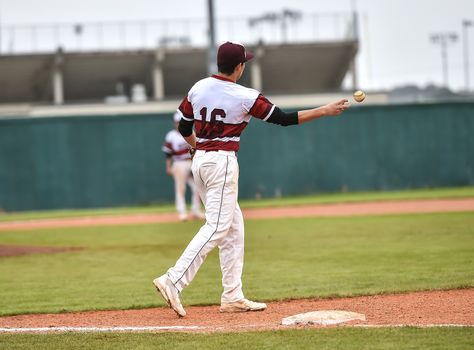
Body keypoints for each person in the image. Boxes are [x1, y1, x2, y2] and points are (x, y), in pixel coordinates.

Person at [153, 41, 350, 317]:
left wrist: (196, 147)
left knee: (234, 228)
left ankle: (232, 295)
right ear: (239, 67)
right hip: (221, 162)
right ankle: (173, 280)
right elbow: (282, 118)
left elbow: (185, 126)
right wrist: (324, 110)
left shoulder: (198, 87)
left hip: (200, 161)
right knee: (218, 227)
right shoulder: (245, 95)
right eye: (244, 62)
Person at [162, 112, 205, 221]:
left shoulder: (190, 133)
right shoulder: (171, 136)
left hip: (192, 161)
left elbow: (197, 148)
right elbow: (168, 153)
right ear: (174, 123)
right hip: (179, 163)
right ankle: (182, 212)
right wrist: (168, 166)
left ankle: (196, 211)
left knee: (197, 187)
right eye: (177, 122)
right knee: (180, 188)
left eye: (180, 122)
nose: (178, 124)